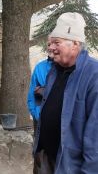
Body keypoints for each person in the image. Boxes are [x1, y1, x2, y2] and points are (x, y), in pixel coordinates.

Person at [33, 12, 98, 173]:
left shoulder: (93, 75)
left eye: (56, 42)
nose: (50, 47)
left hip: (70, 167)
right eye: (50, 43)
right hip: (45, 157)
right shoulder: (54, 71)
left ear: (75, 43)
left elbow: (95, 140)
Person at [27, 38, 54, 122]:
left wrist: (43, 90)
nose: (50, 47)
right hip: (40, 116)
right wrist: (35, 113)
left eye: (54, 44)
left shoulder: (66, 68)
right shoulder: (39, 67)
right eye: (48, 45)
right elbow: (31, 92)